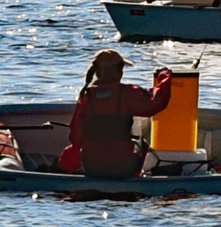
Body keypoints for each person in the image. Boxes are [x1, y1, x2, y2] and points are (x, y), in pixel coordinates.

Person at [58, 49, 172, 178]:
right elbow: (155, 104)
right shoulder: (126, 93)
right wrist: (164, 78)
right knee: (144, 136)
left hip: (93, 166)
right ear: (117, 72)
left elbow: (75, 137)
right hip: (123, 166)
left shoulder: (86, 97)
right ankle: (135, 177)